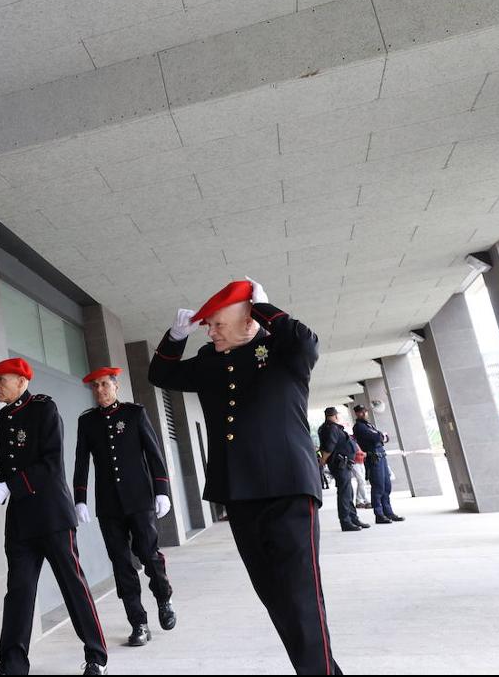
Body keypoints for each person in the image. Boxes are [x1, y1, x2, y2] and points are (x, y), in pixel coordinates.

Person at [149, 278, 342, 675]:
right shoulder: (207, 361)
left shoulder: (281, 351)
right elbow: (160, 375)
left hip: (288, 489)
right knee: (275, 597)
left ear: (247, 319)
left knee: (301, 597)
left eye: (218, 323)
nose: (211, 331)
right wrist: (175, 337)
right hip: (238, 493)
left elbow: (307, 342)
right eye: (208, 326)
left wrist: (264, 308)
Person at [0, 357, 108, 676]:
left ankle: (96, 656)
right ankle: (12, 664)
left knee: (72, 586)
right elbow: (5, 462)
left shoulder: (43, 409)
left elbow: (51, 465)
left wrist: (9, 485)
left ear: (22, 381)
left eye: (1, 380)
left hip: (52, 515)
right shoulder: (4, 418)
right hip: (21, 521)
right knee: (19, 591)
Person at [72, 366, 175, 647]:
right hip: (109, 506)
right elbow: (82, 461)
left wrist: (162, 490)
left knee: (148, 554)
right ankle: (138, 623)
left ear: (116, 386)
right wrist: (79, 498)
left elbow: (154, 454)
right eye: (95, 386)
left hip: (140, 499)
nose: (100, 391)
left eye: (105, 384)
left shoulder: (134, 414)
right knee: (121, 564)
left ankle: (163, 598)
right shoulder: (88, 422)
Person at [318, 409, 370, 533]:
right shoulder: (332, 428)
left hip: (344, 464)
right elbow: (329, 447)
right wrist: (323, 461)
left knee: (349, 492)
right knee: (344, 493)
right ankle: (346, 521)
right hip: (340, 464)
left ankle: (353, 518)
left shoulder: (330, 427)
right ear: (335, 416)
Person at [351, 405, 404, 524]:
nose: (364, 414)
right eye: (361, 412)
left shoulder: (369, 425)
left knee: (386, 485)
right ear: (357, 414)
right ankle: (379, 514)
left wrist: (382, 437)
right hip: (373, 458)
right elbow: (377, 437)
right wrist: (381, 437)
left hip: (381, 457)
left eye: (364, 411)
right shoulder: (359, 427)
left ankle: (388, 512)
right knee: (378, 487)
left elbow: (384, 437)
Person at [349, 442, 371, 510]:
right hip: (355, 462)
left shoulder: (354, 439)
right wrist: (362, 453)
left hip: (360, 460)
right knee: (361, 481)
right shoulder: (350, 439)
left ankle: (359, 501)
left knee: (361, 481)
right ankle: (367, 500)